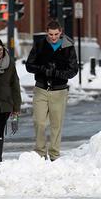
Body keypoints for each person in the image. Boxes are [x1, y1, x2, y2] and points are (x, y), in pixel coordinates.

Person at [26, 20, 78, 161]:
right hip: (41, 88)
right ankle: (40, 153)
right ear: (46, 32)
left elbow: (73, 70)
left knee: (56, 124)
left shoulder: (68, 47)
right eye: (50, 34)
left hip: (59, 90)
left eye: (56, 34)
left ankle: (54, 154)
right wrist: (43, 69)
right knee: (39, 122)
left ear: (60, 32)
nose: (53, 37)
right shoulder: (40, 45)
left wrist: (57, 73)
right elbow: (29, 65)